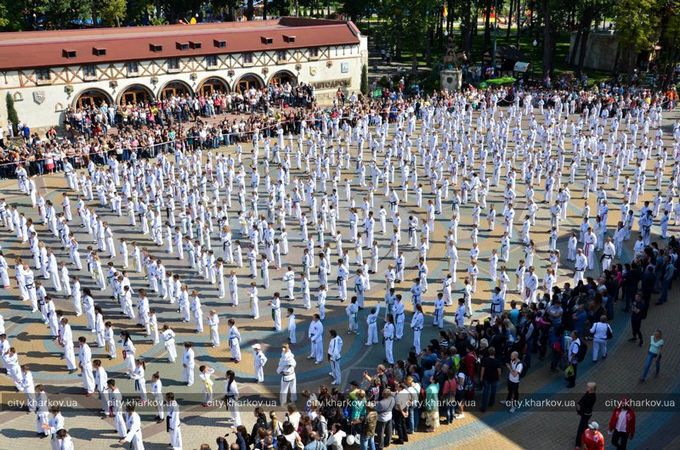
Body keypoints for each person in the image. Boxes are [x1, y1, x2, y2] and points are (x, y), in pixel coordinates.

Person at [575, 382, 597, 448]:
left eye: (588, 387)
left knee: (581, 428)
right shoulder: (588, 393)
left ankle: (578, 444)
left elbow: (586, 405)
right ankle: (590, 434)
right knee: (584, 426)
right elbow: (582, 399)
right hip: (584, 413)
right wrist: (578, 404)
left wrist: (579, 408)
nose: (586, 388)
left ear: (591, 389)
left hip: (586, 414)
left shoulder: (592, 397)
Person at [479, 347, 502, 413]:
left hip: (486, 378)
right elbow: (499, 372)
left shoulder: (485, 360)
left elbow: (482, 370)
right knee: (493, 391)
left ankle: (483, 407)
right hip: (495, 379)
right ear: (494, 353)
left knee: (485, 393)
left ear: (488, 352)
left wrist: (481, 377)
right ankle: (491, 403)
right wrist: (499, 378)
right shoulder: (497, 361)